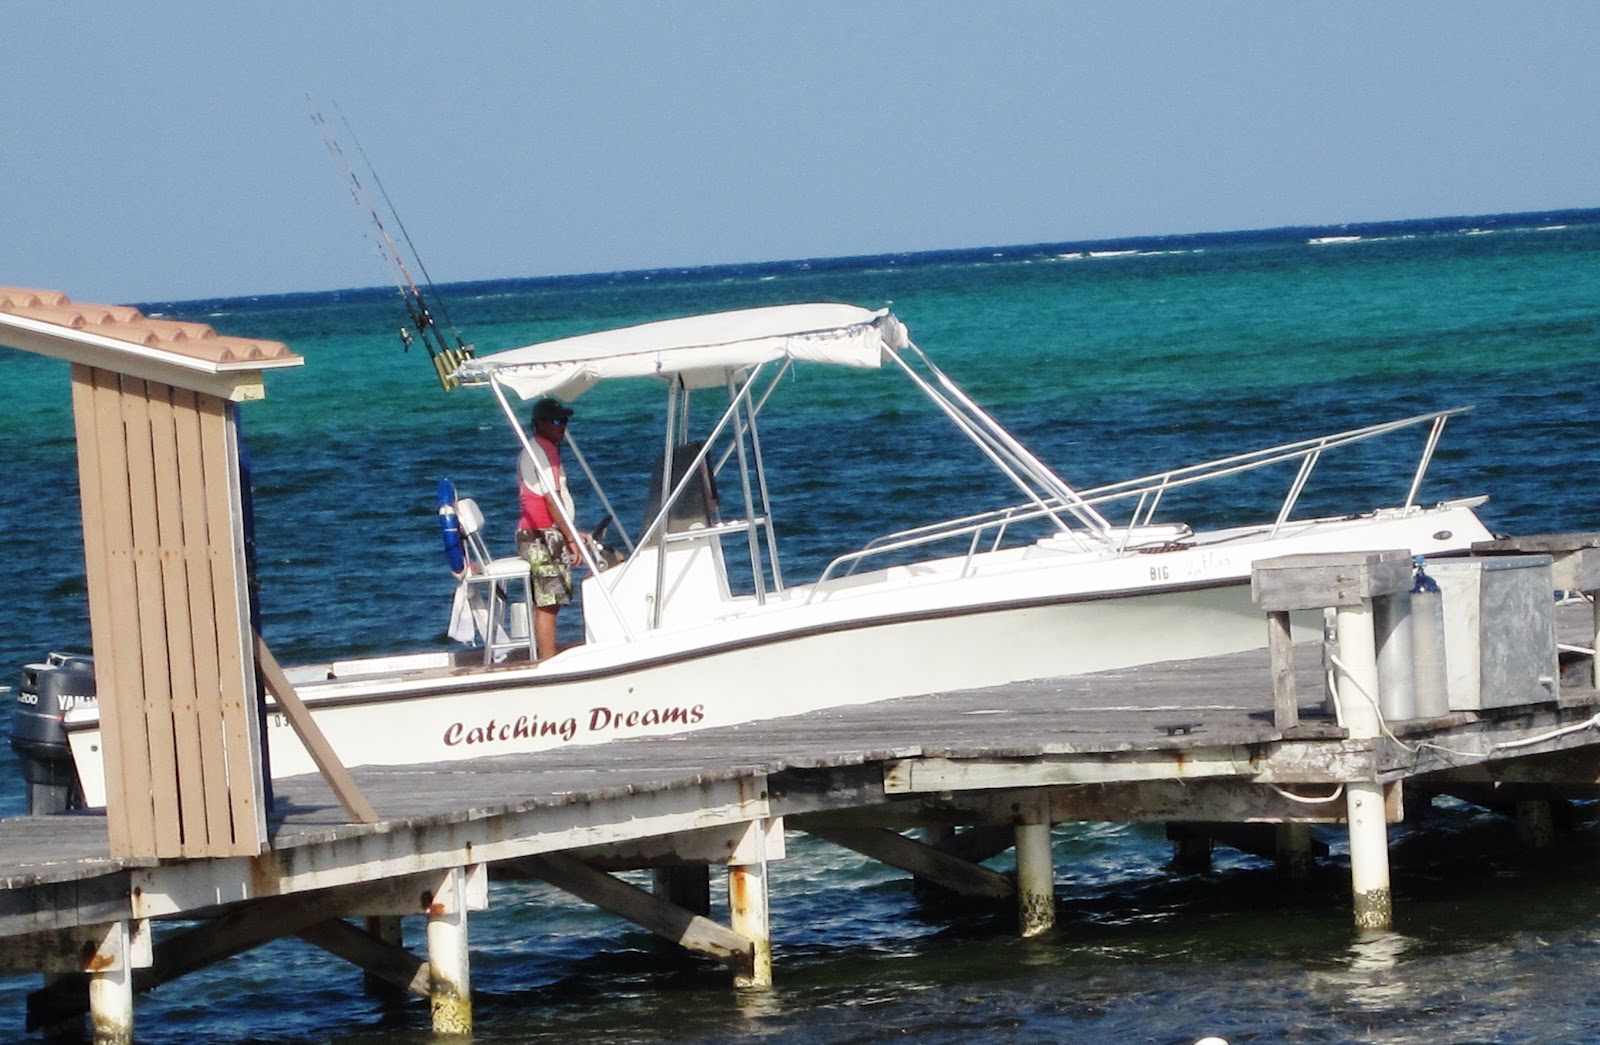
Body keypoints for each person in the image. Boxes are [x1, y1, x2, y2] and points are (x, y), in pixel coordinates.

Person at [516, 397, 581, 661]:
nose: (561, 426)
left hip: (543, 532)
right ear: (539, 423)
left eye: (564, 421)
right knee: (549, 602)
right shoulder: (542, 452)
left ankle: (547, 655)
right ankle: (548, 661)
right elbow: (552, 501)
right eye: (556, 421)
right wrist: (570, 538)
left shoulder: (543, 448)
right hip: (540, 534)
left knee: (549, 601)